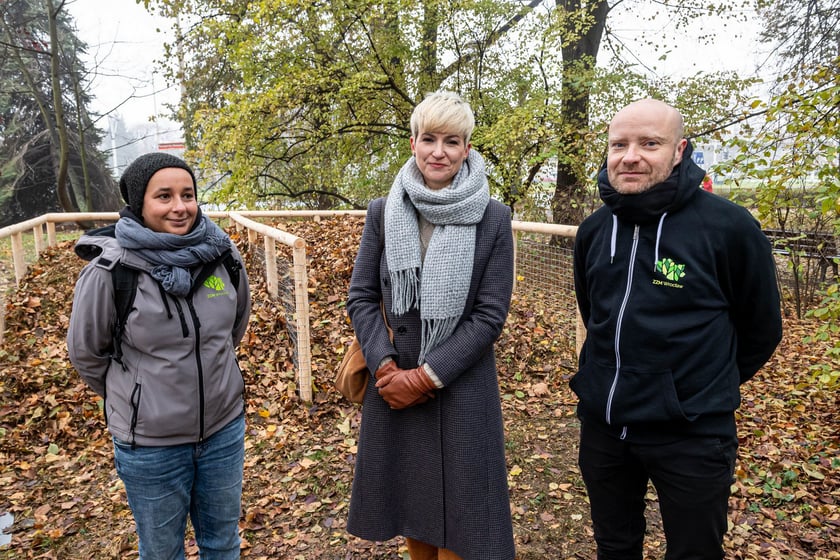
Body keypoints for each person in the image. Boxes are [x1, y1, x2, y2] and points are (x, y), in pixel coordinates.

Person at [572, 98, 783, 559]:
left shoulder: (729, 228)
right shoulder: (594, 229)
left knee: (694, 553)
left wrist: (694, 388)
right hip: (605, 428)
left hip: (691, 434)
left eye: (650, 143)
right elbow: (595, 314)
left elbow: (761, 328)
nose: (631, 156)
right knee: (614, 546)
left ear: (679, 150)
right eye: (619, 144)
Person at [345, 91, 516, 560]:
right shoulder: (384, 211)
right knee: (411, 502)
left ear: (467, 148)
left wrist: (427, 375)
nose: (438, 151)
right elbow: (361, 296)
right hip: (393, 383)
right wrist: (385, 368)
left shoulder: (494, 217)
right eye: (429, 139)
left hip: (460, 382)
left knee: (468, 519)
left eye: (452, 141)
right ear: (414, 142)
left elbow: (489, 315)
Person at [67, 152, 251, 559]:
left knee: (223, 545)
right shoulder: (111, 271)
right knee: (162, 552)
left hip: (223, 432)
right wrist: (136, 393)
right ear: (139, 204)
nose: (180, 206)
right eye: (163, 196)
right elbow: (86, 353)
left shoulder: (222, 256)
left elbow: (231, 329)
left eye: (188, 194)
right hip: (151, 446)